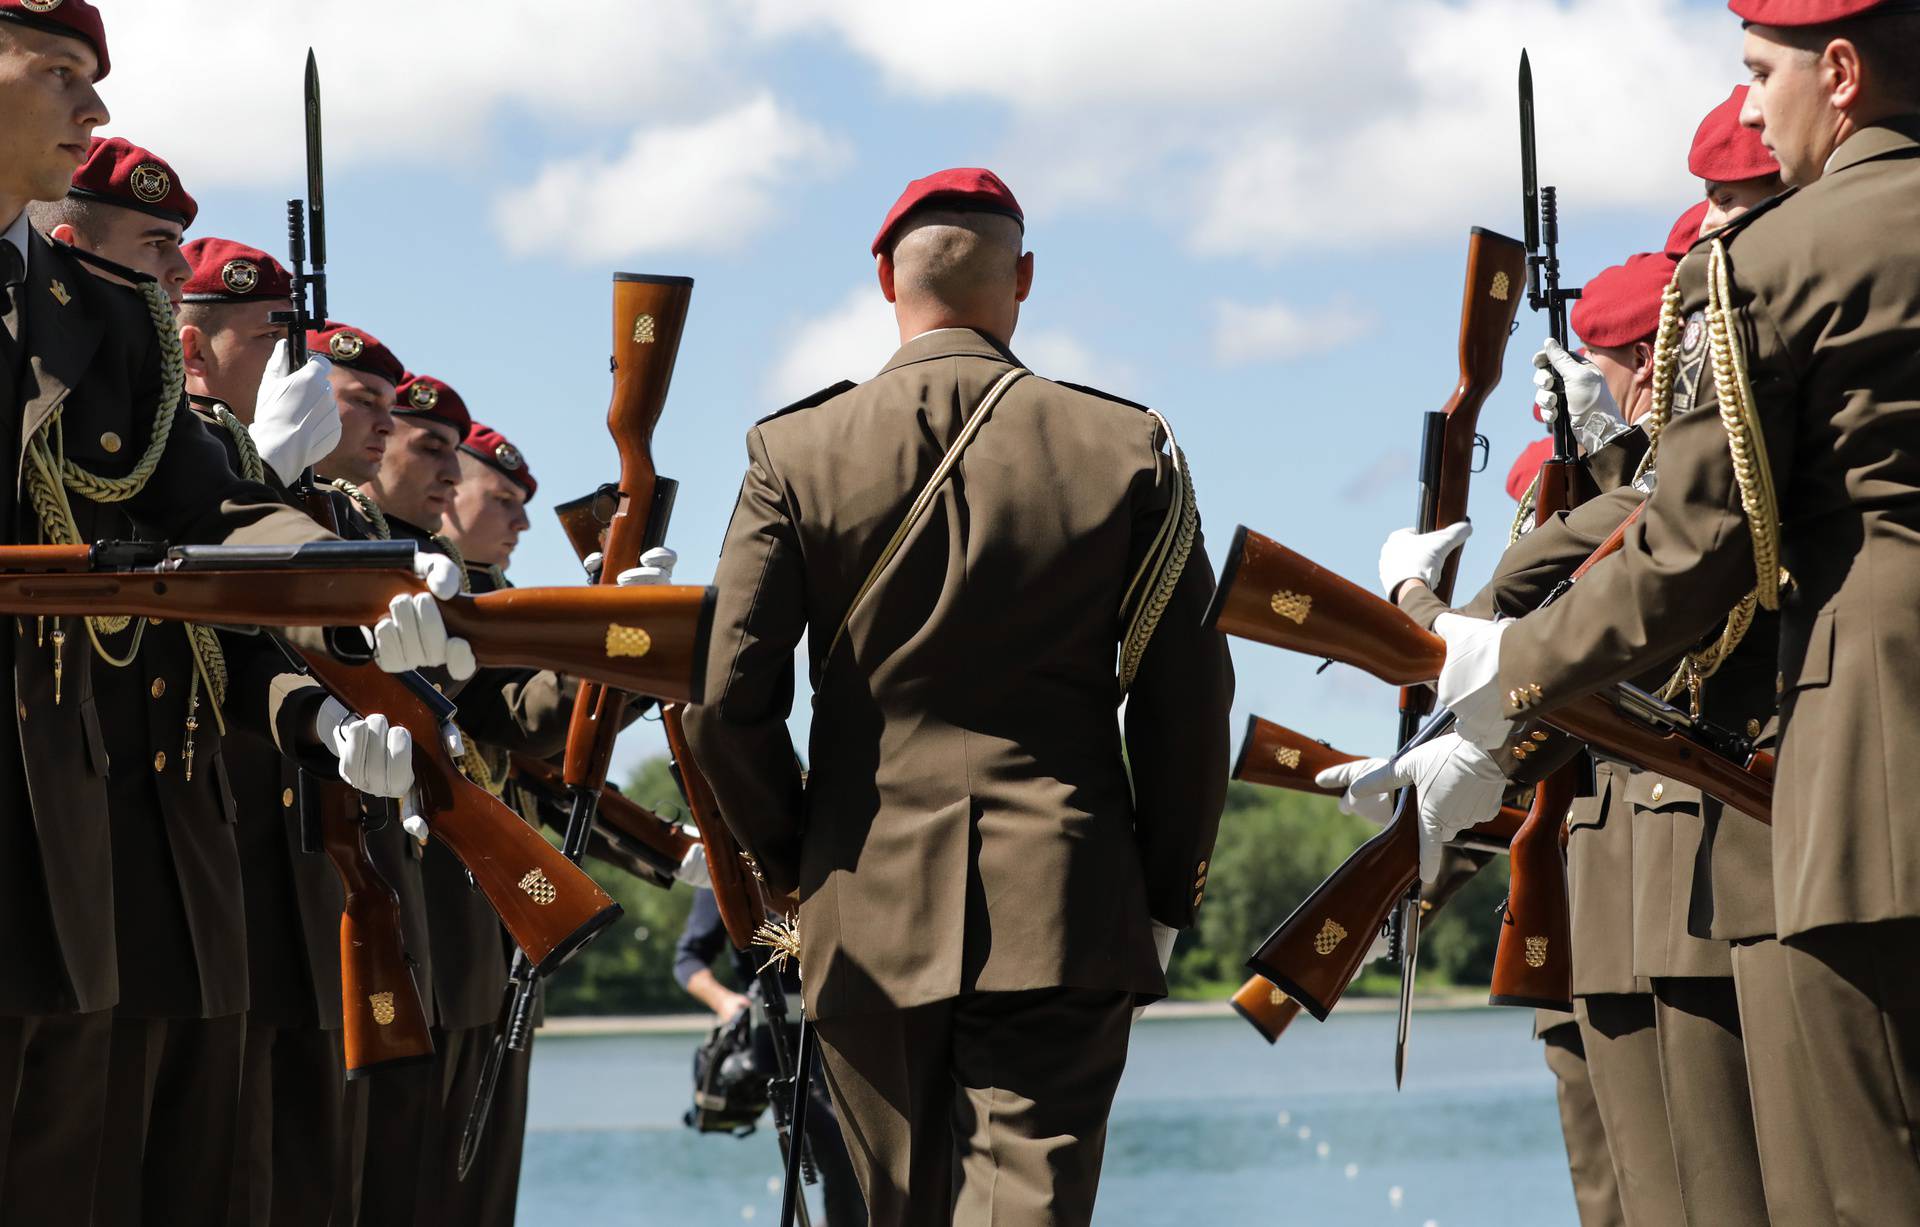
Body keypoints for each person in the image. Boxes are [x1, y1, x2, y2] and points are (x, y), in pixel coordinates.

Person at [1407, 2, 1920, 1215]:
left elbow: (1694, 550)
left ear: (1838, 73)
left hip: (1867, 781)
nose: (1749, 103)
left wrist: (1497, 679)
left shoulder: (1779, 259)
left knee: (1859, 1191)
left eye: (1759, 72)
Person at [686, 167, 1233, 1225]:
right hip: (1067, 903)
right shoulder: (1130, 448)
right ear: (1022, 278)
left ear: (885, 279)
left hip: (865, 901)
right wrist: (1165, 894)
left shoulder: (792, 452)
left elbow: (724, 703)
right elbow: (1187, 701)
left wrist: (801, 867)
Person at [674, 888, 867, 1225]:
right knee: (842, 1154)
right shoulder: (723, 862)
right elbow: (688, 959)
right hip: (782, 1053)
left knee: (874, 1158)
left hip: (856, 1037)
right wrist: (723, 1002)